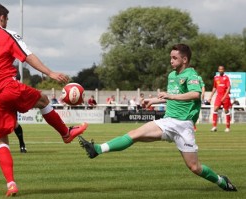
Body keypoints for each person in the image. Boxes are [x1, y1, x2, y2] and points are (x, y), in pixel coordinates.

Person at [0, 4, 88, 197]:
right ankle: (65, 133)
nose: (7, 22)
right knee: (42, 100)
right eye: (6, 19)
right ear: (1, 18)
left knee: (1, 140)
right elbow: (27, 57)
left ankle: (11, 184)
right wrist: (49, 72)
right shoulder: (7, 34)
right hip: (8, 87)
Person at [78, 44, 237, 192]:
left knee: (195, 167)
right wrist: (155, 100)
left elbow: (195, 94)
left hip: (183, 126)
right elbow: (173, 96)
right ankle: (97, 149)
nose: (171, 61)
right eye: (170, 57)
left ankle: (221, 181)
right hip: (168, 122)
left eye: (174, 58)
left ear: (184, 59)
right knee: (135, 134)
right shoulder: (172, 75)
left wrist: (170, 96)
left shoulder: (191, 74)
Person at [208, 66, 231, 132]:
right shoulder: (216, 78)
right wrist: (210, 96)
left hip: (225, 97)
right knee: (215, 109)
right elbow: (214, 88)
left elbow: (228, 88)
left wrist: (224, 96)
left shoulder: (226, 78)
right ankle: (214, 127)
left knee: (226, 111)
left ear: (224, 70)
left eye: (222, 69)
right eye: (219, 69)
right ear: (218, 70)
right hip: (218, 96)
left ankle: (227, 127)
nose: (221, 70)